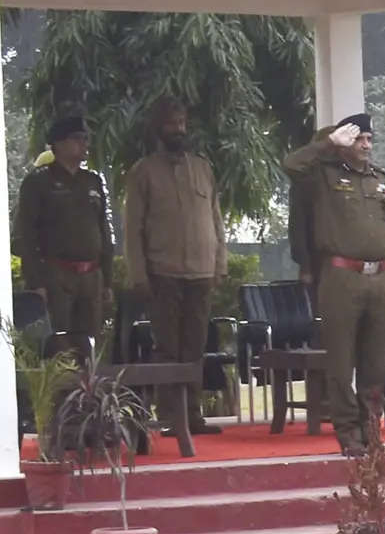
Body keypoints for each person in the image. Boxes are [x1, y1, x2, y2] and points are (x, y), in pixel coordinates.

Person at [286, 114, 385, 456]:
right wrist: (328, 144)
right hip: (340, 278)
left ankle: (371, 433)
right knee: (340, 364)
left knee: (374, 364)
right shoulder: (322, 175)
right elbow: (290, 165)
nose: (365, 145)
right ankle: (349, 435)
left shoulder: (381, 179)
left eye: (368, 139)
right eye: (358, 139)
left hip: (378, 278)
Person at [120, 98, 228, 427]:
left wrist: (220, 264)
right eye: (171, 124)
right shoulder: (143, 172)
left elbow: (216, 220)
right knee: (168, 348)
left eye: (181, 123)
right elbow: (133, 228)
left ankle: (192, 415)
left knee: (195, 347)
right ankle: (170, 416)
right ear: (158, 129)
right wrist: (139, 274)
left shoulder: (203, 167)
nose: (178, 130)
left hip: (201, 272)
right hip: (162, 272)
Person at [15, 114, 115, 365]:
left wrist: (108, 279)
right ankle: (61, 402)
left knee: (90, 347)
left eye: (85, 139)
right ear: (58, 143)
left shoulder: (91, 181)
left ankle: (89, 401)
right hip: (56, 274)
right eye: (77, 139)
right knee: (60, 347)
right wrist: (36, 281)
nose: (84, 144)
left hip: (92, 275)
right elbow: (25, 234)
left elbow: (103, 229)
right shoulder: (39, 182)